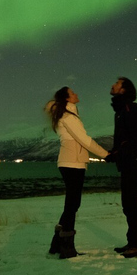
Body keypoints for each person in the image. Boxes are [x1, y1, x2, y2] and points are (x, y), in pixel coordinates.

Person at [45, 86, 110, 259]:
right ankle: (66, 248)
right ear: (67, 99)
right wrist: (106, 155)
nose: (77, 94)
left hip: (71, 162)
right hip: (73, 163)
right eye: (73, 93)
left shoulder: (67, 115)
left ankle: (57, 244)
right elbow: (85, 140)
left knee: (71, 204)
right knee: (73, 204)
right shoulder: (68, 116)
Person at [106, 77, 137, 258]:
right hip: (128, 161)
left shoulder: (130, 108)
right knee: (128, 203)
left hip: (133, 161)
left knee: (131, 203)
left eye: (117, 83)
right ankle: (132, 242)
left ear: (124, 90)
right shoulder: (120, 111)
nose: (112, 84)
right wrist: (114, 152)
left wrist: (120, 151)